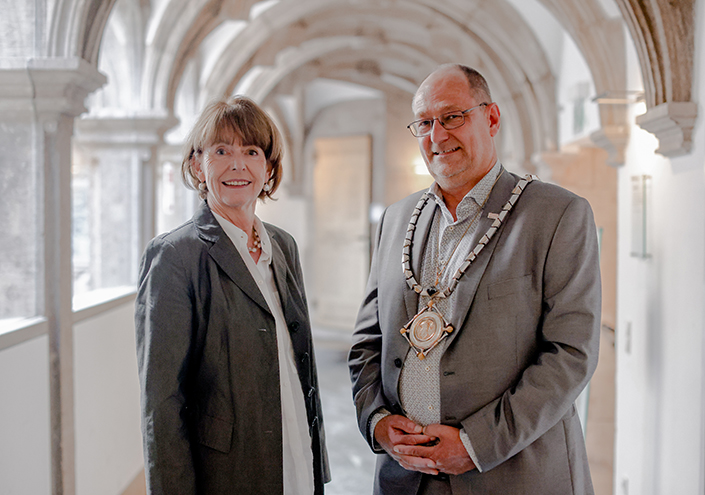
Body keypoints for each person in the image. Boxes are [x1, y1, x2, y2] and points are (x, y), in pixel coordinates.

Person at [348, 64, 601, 494]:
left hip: (511, 475)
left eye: (452, 117)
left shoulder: (557, 215)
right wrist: (378, 422)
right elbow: (368, 342)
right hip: (406, 479)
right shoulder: (397, 219)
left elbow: (570, 354)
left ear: (492, 118)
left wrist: (474, 444)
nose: (437, 135)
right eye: (424, 123)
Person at [135, 96, 330, 494]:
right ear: (197, 165)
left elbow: (300, 364)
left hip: (296, 453)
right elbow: (162, 401)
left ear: (268, 168)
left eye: (252, 151)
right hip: (227, 472)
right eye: (221, 150)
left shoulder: (284, 246)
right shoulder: (174, 255)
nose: (237, 164)